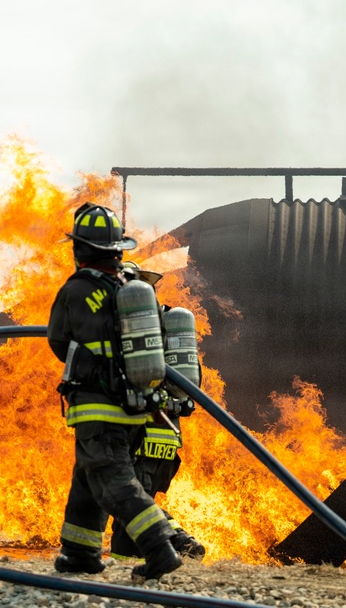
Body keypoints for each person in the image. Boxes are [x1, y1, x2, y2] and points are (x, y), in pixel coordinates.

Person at [47, 203, 183, 581]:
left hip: (97, 405)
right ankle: (80, 554)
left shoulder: (77, 289)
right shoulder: (130, 290)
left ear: (79, 249)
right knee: (88, 480)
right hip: (133, 407)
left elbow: (57, 340)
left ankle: (160, 548)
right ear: (117, 250)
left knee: (113, 482)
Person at [108, 261, 207, 563]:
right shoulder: (169, 325)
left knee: (129, 500)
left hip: (141, 434)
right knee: (126, 518)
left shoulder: (131, 330)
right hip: (166, 440)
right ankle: (130, 570)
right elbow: (191, 382)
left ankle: (178, 539)